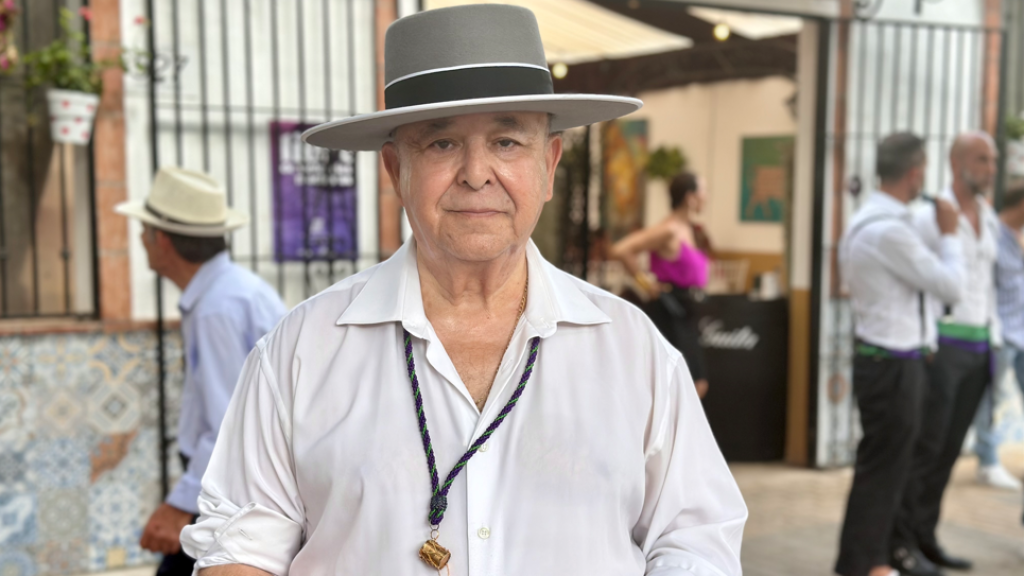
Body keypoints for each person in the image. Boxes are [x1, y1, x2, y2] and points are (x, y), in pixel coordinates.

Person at [178, 5, 747, 575]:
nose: (477, 173)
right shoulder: (300, 352)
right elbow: (240, 550)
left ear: (548, 165)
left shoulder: (633, 351)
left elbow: (695, 538)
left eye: (506, 142)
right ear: (395, 169)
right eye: (442, 144)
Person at [114, 167, 288, 576]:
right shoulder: (232, 291)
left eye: (144, 229)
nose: (140, 240)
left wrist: (180, 505)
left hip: (232, 486)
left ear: (161, 240)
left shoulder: (216, 308)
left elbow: (228, 422)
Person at [835, 133, 963, 576]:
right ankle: (865, 562)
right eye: (923, 170)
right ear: (913, 172)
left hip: (886, 357)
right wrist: (950, 236)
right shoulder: (888, 230)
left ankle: (871, 557)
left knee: (887, 463)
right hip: (891, 361)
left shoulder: (870, 220)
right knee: (884, 467)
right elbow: (950, 286)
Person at [897, 131, 1002, 573]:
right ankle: (902, 544)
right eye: (981, 159)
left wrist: (994, 338)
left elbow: (989, 285)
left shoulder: (988, 216)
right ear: (956, 162)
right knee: (926, 449)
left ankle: (927, 537)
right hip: (944, 346)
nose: (990, 168)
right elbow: (919, 282)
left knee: (948, 454)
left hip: (980, 347)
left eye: (993, 160)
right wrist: (927, 342)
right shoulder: (930, 216)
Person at [611, 172, 712, 398]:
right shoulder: (669, 230)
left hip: (687, 310)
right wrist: (645, 283)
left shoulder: (690, 230)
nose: (706, 197)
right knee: (691, 384)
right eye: (703, 191)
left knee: (695, 384)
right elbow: (621, 250)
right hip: (669, 309)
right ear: (690, 197)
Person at [971, 179, 1024, 491]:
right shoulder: (992, 234)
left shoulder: (1018, 237)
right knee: (992, 399)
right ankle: (987, 461)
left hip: (1022, 330)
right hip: (1000, 332)